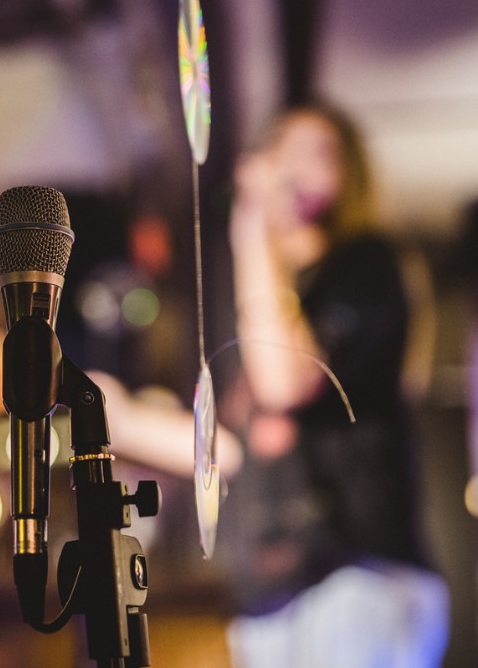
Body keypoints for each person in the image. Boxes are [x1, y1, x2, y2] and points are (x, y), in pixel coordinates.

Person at [99, 102, 449, 667]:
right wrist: (116, 415)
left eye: (319, 153)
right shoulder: (270, 298)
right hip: (271, 595)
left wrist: (251, 229)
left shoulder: (366, 268)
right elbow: (232, 447)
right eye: (282, 147)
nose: (293, 166)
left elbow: (285, 382)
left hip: (355, 577)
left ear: (348, 179)